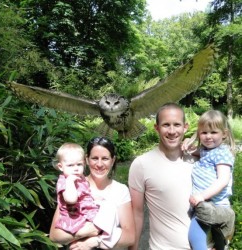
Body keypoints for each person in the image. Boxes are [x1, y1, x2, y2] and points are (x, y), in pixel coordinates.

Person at [128, 103, 195, 250]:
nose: (172, 131)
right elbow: (137, 213)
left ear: (185, 127)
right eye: (166, 125)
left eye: (177, 124)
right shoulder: (141, 164)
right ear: (156, 128)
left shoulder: (199, 160)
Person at [50, 137, 135, 250]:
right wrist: (87, 231)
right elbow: (54, 236)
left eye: (105, 158)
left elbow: (130, 237)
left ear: (113, 160)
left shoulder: (120, 190)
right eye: (95, 158)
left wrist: (95, 241)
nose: (99, 164)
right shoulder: (73, 186)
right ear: (86, 160)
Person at [182, 110, 235, 250]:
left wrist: (201, 196)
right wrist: (186, 144)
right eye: (204, 133)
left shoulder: (222, 153)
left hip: (214, 204)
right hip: (205, 204)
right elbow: (194, 150)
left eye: (213, 132)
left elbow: (223, 180)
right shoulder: (206, 150)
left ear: (224, 134)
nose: (208, 136)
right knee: (210, 239)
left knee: (195, 235)